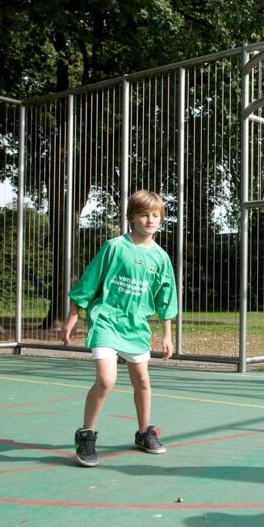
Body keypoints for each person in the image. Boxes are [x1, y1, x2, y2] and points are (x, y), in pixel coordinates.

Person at [60, 190, 178, 467]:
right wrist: (73, 315)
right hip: (107, 320)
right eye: (144, 214)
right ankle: (86, 434)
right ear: (131, 218)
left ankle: (143, 433)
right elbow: (90, 282)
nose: (150, 220)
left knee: (143, 381)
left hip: (135, 327)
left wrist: (168, 335)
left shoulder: (161, 258)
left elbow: (166, 298)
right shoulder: (114, 247)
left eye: (156, 215)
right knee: (107, 379)